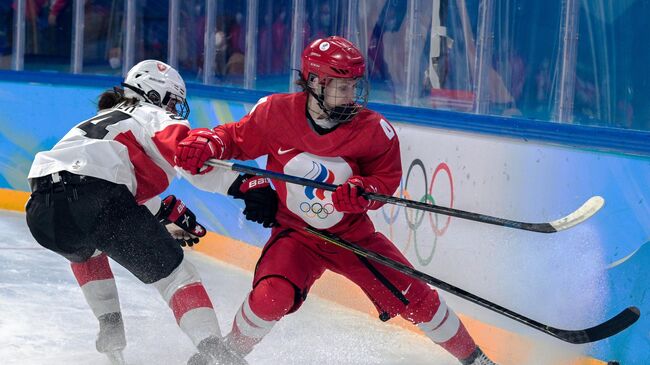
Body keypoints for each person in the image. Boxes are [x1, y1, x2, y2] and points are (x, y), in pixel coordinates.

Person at [175, 36, 499, 365]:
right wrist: (209, 142)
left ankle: (476, 360)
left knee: (417, 297)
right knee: (271, 296)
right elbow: (235, 139)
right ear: (315, 81)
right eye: (341, 87)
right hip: (295, 234)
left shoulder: (375, 131)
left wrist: (363, 192)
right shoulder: (276, 113)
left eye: (354, 86)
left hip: (353, 238)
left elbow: (385, 181)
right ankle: (228, 354)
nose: (351, 96)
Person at [25, 60, 247, 365]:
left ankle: (110, 326)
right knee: (177, 277)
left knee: (86, 249)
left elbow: (93, 187)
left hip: (42, 213)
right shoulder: (151, 112)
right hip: (98, 199)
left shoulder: (98, 120)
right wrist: (241, 185)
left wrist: (165, 209)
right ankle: (214, 353)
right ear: (155, 94)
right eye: (172, 100)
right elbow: (186, 155)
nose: (174, 108)